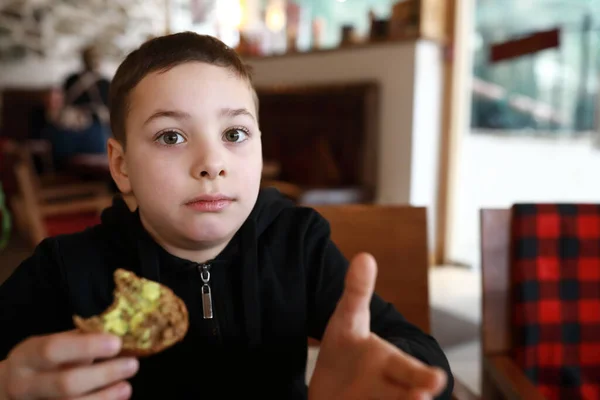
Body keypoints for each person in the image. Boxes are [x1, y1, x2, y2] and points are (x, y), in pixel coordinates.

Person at [0, 32, 454, 399]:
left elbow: (425, 359)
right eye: (171, 137)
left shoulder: (298, 244)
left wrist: (391, 371)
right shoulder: (65, 270)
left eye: (234, 132)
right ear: (121, 166)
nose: (212, 162)